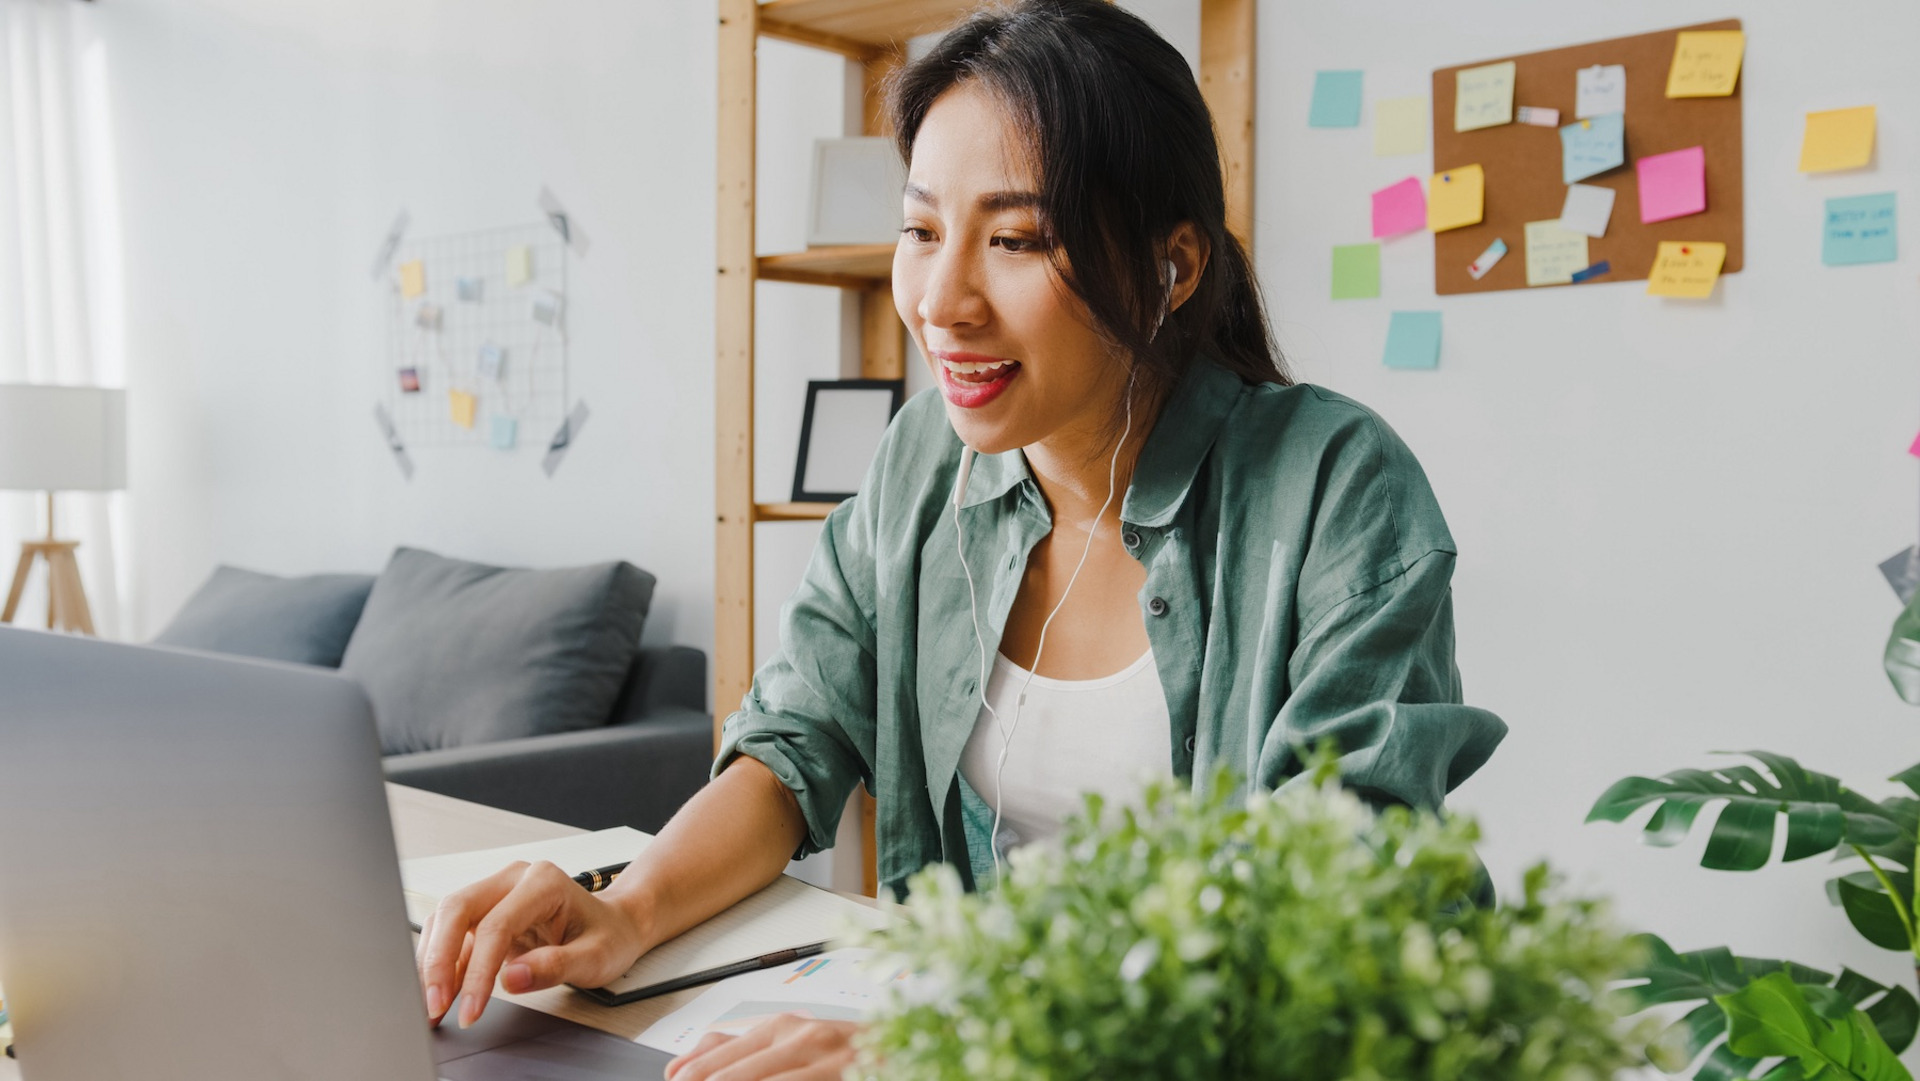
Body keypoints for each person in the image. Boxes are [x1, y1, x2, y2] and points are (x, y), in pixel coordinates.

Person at [415, 2, 1508, 1077]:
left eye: (1017, 238)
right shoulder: (921, 465)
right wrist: (628, 908)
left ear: (1171, 266)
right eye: (922, 229)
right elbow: (795, 740)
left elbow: (1336, 894)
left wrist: (960, 1037)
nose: (941, 300)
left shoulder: (1336, 489)